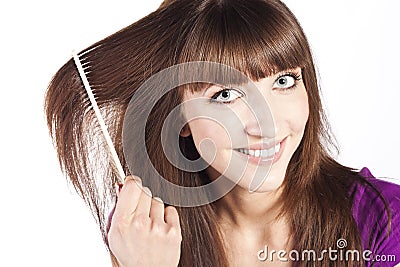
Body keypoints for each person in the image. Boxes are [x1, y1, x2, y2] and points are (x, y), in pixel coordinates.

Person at [44, 0, 400, 266]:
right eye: (226, 95)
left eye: (284, 80)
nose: (269, 125)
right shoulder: (147, 236)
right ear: (176, 117)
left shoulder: (384, 223)